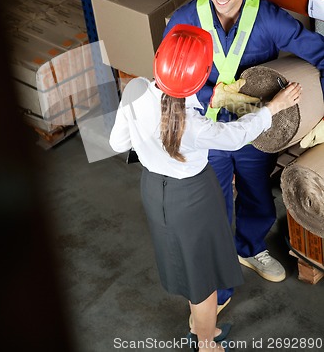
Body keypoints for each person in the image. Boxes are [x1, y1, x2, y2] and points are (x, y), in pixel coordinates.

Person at [109, 24, 302, 352]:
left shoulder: (135, 90)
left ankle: (201, 330)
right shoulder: (194, 124)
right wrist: (273, 107)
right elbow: (237, 135)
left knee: (187, 264)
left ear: (159, 61)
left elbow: (118, 143)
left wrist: (148, 139)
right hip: (194, 197)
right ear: (199, 79)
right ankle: (206, 342)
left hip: (155, 190)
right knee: (205, 277)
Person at [164, 0, 324, 312]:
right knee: (215, 207)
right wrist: (210, 97)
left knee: (256, 193)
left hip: (257, 132)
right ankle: (215, 290)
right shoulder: (187, 20)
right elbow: (170, 76)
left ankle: (250, 248)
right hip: (210, 131)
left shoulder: (266, 19)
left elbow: (319, 53)